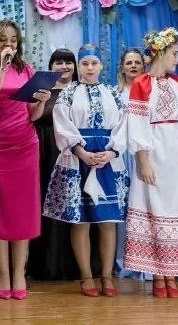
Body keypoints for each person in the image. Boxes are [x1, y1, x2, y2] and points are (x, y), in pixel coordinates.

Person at [0, 19, 51, 300]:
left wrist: (41, 101)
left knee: (23, 210)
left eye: (14, 40)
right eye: (4, 39)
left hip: (25, 145)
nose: (9, 44)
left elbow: (33, 115)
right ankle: (3, 273)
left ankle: (20, 273)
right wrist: (2, 70)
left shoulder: (27, 69)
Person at [124, 27, 178, 298]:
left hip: (177, 153)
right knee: (153, 207)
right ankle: (158, 274)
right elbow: (137, 124)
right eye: (174, 54)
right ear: (160, 53)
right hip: (154, 151)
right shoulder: (141, 83)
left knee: (175, 207)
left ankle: (172, 272)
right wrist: (143, 160)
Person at [43, 45, 128, 297]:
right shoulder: (68, 94)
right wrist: (81, 152)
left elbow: (124, 126)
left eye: (94, 63)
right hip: (78, 159)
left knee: (107, 221)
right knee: (81, 221)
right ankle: (87, 276)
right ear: (79, 67)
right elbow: (62, 126)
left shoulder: (113, 94)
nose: (89, 68)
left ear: (101, 65)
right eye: (85, 64)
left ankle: (106, 275)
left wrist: (111, 153)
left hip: (107, 161)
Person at [29, 48, 79, 281]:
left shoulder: (80, 90)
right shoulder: (42, 90)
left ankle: (72, 264)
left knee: (72, 204)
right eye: (58, 62)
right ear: (51, 66)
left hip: (74, 153)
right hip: (45, 151)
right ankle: (45, 265)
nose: (64, 67)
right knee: (45, 204)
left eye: (68, 62)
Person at [112, 48, 151, 281]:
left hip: (143, 155)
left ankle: (148, 262)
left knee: (146, 205)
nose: (134, 66)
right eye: (129, 62)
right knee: (124, 208)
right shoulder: (115, 94)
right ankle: (124, 260)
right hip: (122, 156)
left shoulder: (150, 91)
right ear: (122, 67)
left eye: (137, 62)